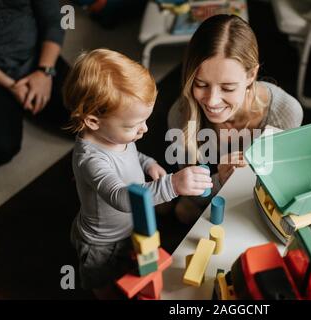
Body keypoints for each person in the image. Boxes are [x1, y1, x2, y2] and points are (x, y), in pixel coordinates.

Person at [64, 49, 212, 299]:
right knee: (103, 282)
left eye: (144, 120)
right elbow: (121, 198)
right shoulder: (90, 159)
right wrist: (172, 185)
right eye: (133, 125)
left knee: (133, 265)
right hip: (102, 243)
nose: (144, 129)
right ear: (93, 121)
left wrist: (148, 163)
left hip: (129, 228)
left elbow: (132, 155)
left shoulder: (114, 135)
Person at [168, 14, 304, 224]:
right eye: (201, 84)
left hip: (260, 205)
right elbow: (192, 197)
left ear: (251, 76)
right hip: (211, 200)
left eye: (227, 87)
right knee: (184, 212)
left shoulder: (285, 112)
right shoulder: (180, 115)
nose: (212, 101)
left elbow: (286, 185)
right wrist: (220, 181)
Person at [0, 0, 71, 166]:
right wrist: (11, 86)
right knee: (2, 149)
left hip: (38, 59)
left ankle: (29, 102)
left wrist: (45, 72)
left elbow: (53, 21)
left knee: (90, 113)